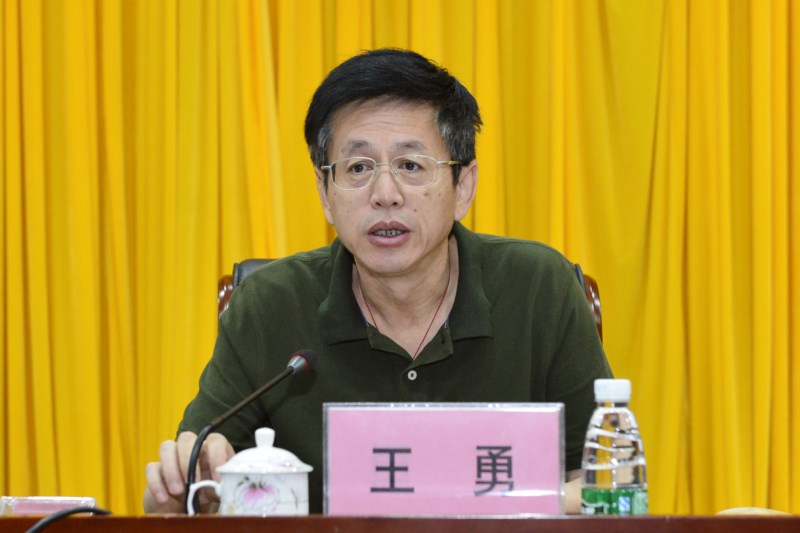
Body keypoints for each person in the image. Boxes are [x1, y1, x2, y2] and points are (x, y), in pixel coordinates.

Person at [143, 48, 612, 515]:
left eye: (411, 165)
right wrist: (180, 486)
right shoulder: (270, 305)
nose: (385, 195)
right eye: (358, 168)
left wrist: (492, 502)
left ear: (463, 187)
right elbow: (180, 494)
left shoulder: (539, 289)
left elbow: (608, 486)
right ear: (325, 193)